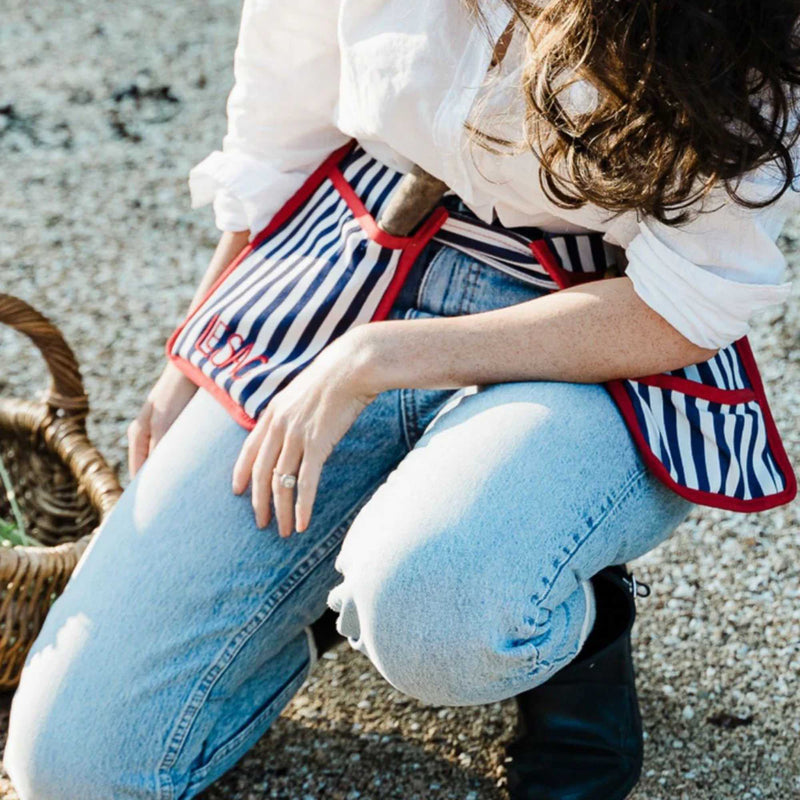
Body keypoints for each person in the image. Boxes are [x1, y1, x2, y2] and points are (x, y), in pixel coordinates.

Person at [4, 1, 798, 798]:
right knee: (74, 772)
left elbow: (692, 297)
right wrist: (198, 350)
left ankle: (571, 619)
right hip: (356, 251)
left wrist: (382, 356)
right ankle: (324, 583)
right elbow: (284, 117)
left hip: (593, 320)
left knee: (435, 613)